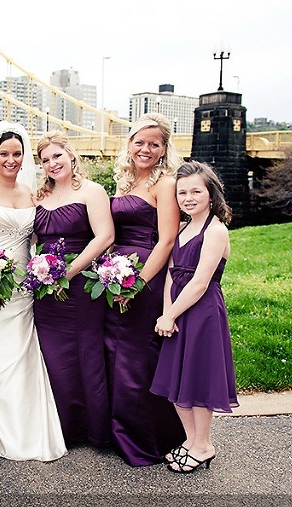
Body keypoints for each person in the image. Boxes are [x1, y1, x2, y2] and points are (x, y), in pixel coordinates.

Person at [0, 122, 67, 462]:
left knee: (21, 354)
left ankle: (25, 430)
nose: (11, 159)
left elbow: (37, 237)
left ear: (24, 159)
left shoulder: (31, 194)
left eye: (17, 154)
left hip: (22, 287)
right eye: (4, 153)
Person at [103, 113, 186, 466]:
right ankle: (118, 431)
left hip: (143, 278)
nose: (146, 149)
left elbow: (167, 239)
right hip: (112, 278)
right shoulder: (123, 182)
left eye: (154, 144)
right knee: (113, 353)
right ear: (129, 144)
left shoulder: (165, 184)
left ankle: (149, 437)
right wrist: (106, 270)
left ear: (165, 149)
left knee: (137, 357)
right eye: (140, 142)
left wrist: (138, 283)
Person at [150, 160, 239, 473]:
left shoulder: (215, 231)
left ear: (210, 194)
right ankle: (191, 440)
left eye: (195, 191)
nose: (188, 197)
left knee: (198, 380)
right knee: (178, 378)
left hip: (201, 313)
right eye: (182, 192)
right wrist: (166, 312)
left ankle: (204, 445)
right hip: (176, 311)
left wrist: (171, 314)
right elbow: (172, 275)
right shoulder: (183, 228)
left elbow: (200, 282)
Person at [33, 130, 115, 447]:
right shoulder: (38, 197)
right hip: (45, 289)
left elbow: (104, 237)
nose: (53, 164)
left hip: (80, 287)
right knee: (54, 357)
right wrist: (40, 272)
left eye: (57, 156)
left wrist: (67, 271)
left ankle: (94, 430)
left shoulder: (92, 192)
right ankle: (64, 429)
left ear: (71, 155)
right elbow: (35, 240)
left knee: (87, 354)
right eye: (45, 160)